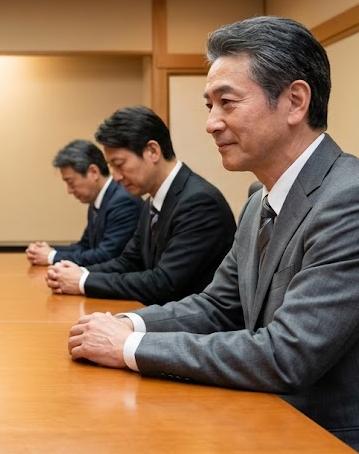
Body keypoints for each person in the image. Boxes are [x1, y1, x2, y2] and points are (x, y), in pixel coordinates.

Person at [67, 16, 359, 454]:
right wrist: (128, 322)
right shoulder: (258, 201)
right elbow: (217, 305)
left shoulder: (356, 201)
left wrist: (130, 347)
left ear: (295, 101)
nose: (211, 123)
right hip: (283, 424)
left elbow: (286, 354)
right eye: (209, 105)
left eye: (227, 102)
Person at [46, 107, 235, 305]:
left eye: (120, 164)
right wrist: (79, 273)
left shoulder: (199, 202)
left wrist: (84, 281)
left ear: (152, 151)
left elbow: (164, 284)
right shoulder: (151, 202)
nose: (116, 177)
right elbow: (129, 261)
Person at [26, 139, 142, 266]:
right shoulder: (99, 200)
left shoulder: (123, 201)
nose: (69, 190)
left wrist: (52, 256)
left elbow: (106, 255)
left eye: (71, 182)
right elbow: (84, 246)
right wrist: (48, 250)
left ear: (93, 172)